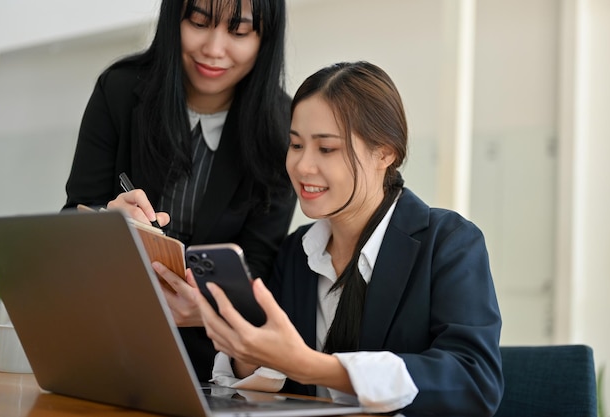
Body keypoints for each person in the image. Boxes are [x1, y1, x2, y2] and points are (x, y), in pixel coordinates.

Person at [157, 61, 504, 415]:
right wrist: (238, 337)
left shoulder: (449, 243)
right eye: (295, 145)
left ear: (385, 152)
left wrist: (309, 365)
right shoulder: (297, 252)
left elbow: (473, 382)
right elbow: (278, 388)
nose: (303, 166)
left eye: (326, 149)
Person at [62, 0, 295, 381]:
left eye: (238, 32)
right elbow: (70, 220)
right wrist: (106, 221)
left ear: (264, 38)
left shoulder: (282, 130)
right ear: (175, 19)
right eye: (199, 23)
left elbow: (258, 270)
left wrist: (205, 310)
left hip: (208, 365)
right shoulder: (120, 90)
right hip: (101, 339)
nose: (214, 49)